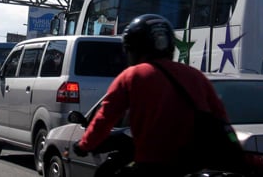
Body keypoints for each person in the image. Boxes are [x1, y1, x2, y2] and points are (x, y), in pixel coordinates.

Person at [72, 14, 230, 177]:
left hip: (153, 165)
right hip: (195, 164)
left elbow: (104, 118)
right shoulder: (196, 76)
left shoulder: (132, 76)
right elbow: (222, 120)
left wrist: (84, 145)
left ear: (133, 48)